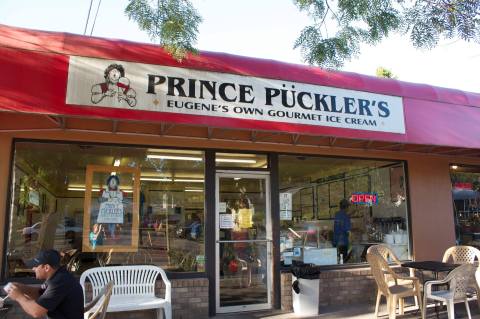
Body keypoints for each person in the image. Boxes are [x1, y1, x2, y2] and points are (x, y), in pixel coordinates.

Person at [6, 249, 84, 319]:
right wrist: (22, 288)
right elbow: (40, 294)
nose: (33, 268)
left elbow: (36, 312)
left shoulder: (59, 281)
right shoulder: (58, 276)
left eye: (36, 266)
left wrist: (18, 297)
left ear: (46, 268)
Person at [333, 199, 352, 263]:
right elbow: (348, 230)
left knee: (338, 258)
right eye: (348, 207)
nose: (349, 208)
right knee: (343, 260)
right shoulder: (346, 216)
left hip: (336, 240)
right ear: (346, 207)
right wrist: (351, 240)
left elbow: (340, 224)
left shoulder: (337, 214)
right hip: (343, 241)